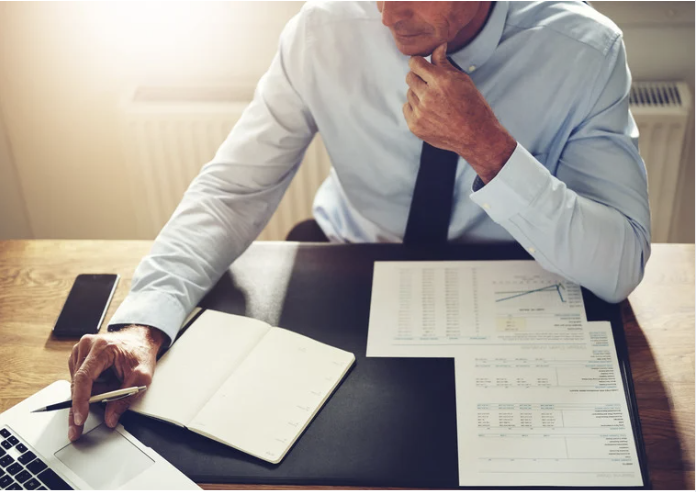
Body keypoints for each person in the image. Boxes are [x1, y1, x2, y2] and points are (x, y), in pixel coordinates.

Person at [66, 1, 650, 441]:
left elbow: (620, 263)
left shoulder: (586, 50)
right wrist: (144, 320)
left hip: (513, 292)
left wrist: (489, 149)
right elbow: (232, 192)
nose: (390, 14)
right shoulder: (323, 29)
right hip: (345, 265)